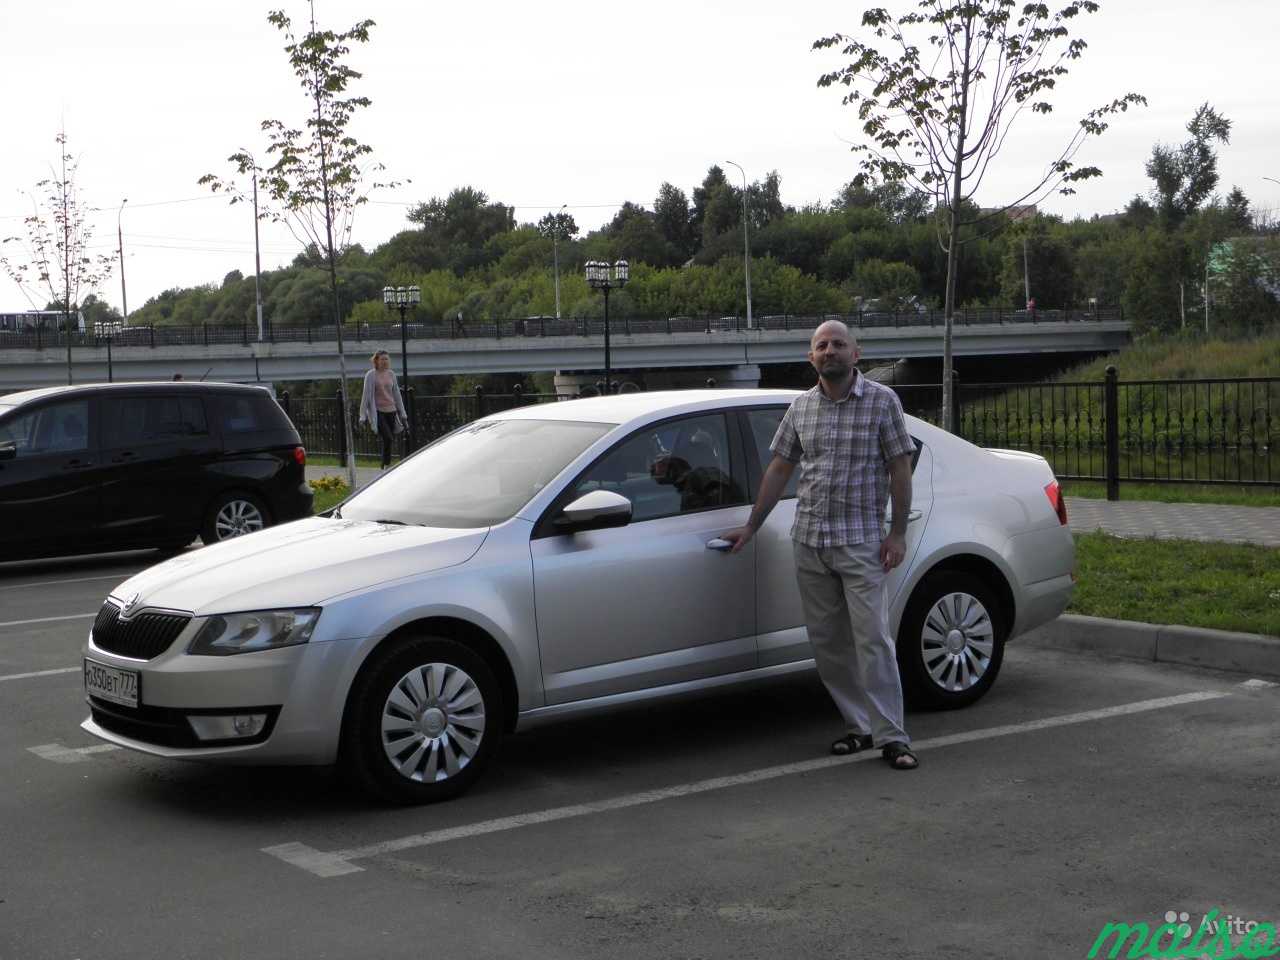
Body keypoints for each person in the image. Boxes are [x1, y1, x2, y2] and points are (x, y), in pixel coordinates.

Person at [722, 320, 919, 771]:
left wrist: (898, 533)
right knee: (828, 643)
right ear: (811, 357)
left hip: (861, 543)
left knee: (873, 641)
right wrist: (752, 526)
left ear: (856, 353)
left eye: (838, 344)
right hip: (810, 542)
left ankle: (893, 736)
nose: (830, 351)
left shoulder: (882, 402)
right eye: (821, 345)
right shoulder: (801, 408)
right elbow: (779, 468)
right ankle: (859, 726)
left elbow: (900, 470)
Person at [358, 350, 407, 469]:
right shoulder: (371, 375)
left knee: (389, 440)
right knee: (388, 438)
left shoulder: (391, 374)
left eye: (387, 359)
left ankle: (383, 464)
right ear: (377, 361)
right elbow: (366, 397)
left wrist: (403, 413)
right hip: (378, 413)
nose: (385, 361)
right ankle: (387, 465)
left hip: (392, 411)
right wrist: (362, 416)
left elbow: (396, 394)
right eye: (382, 359)